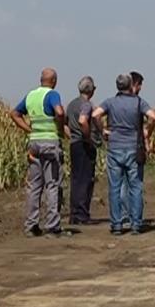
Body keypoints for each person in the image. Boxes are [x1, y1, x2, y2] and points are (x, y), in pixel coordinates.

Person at [92, 72, 155, 235]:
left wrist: (103, 131)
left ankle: (116, 225)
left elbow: (95, 115)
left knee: (115, 187)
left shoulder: (110, 102)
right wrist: (147, 131)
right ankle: (136, 224)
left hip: (114, 148)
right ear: (131, 85)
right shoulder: (138, 103)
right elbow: (154, 117)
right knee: (135, 187)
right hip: (133, 149)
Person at [10, 67, 68, 237]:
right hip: (50, 143)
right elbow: (59, 112)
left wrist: (29, 130)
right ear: (54, 81)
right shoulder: (52, 95)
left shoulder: (31, 96)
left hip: (34, 143)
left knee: (34, 186)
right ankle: (52, 226)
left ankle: (31, 225)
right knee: (52, 184)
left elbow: (14, 113)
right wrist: (60, 128)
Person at [66, 76, 101, 226]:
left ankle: (74, 213)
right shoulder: (86, 105)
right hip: (83, 144)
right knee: (85, 179)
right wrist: (88, 139)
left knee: (75, 179)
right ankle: (82, 214)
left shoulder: (71, 104)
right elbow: (82, 121)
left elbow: (64, 124)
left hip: (74, 144)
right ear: (91, 90)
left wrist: (71, 136)